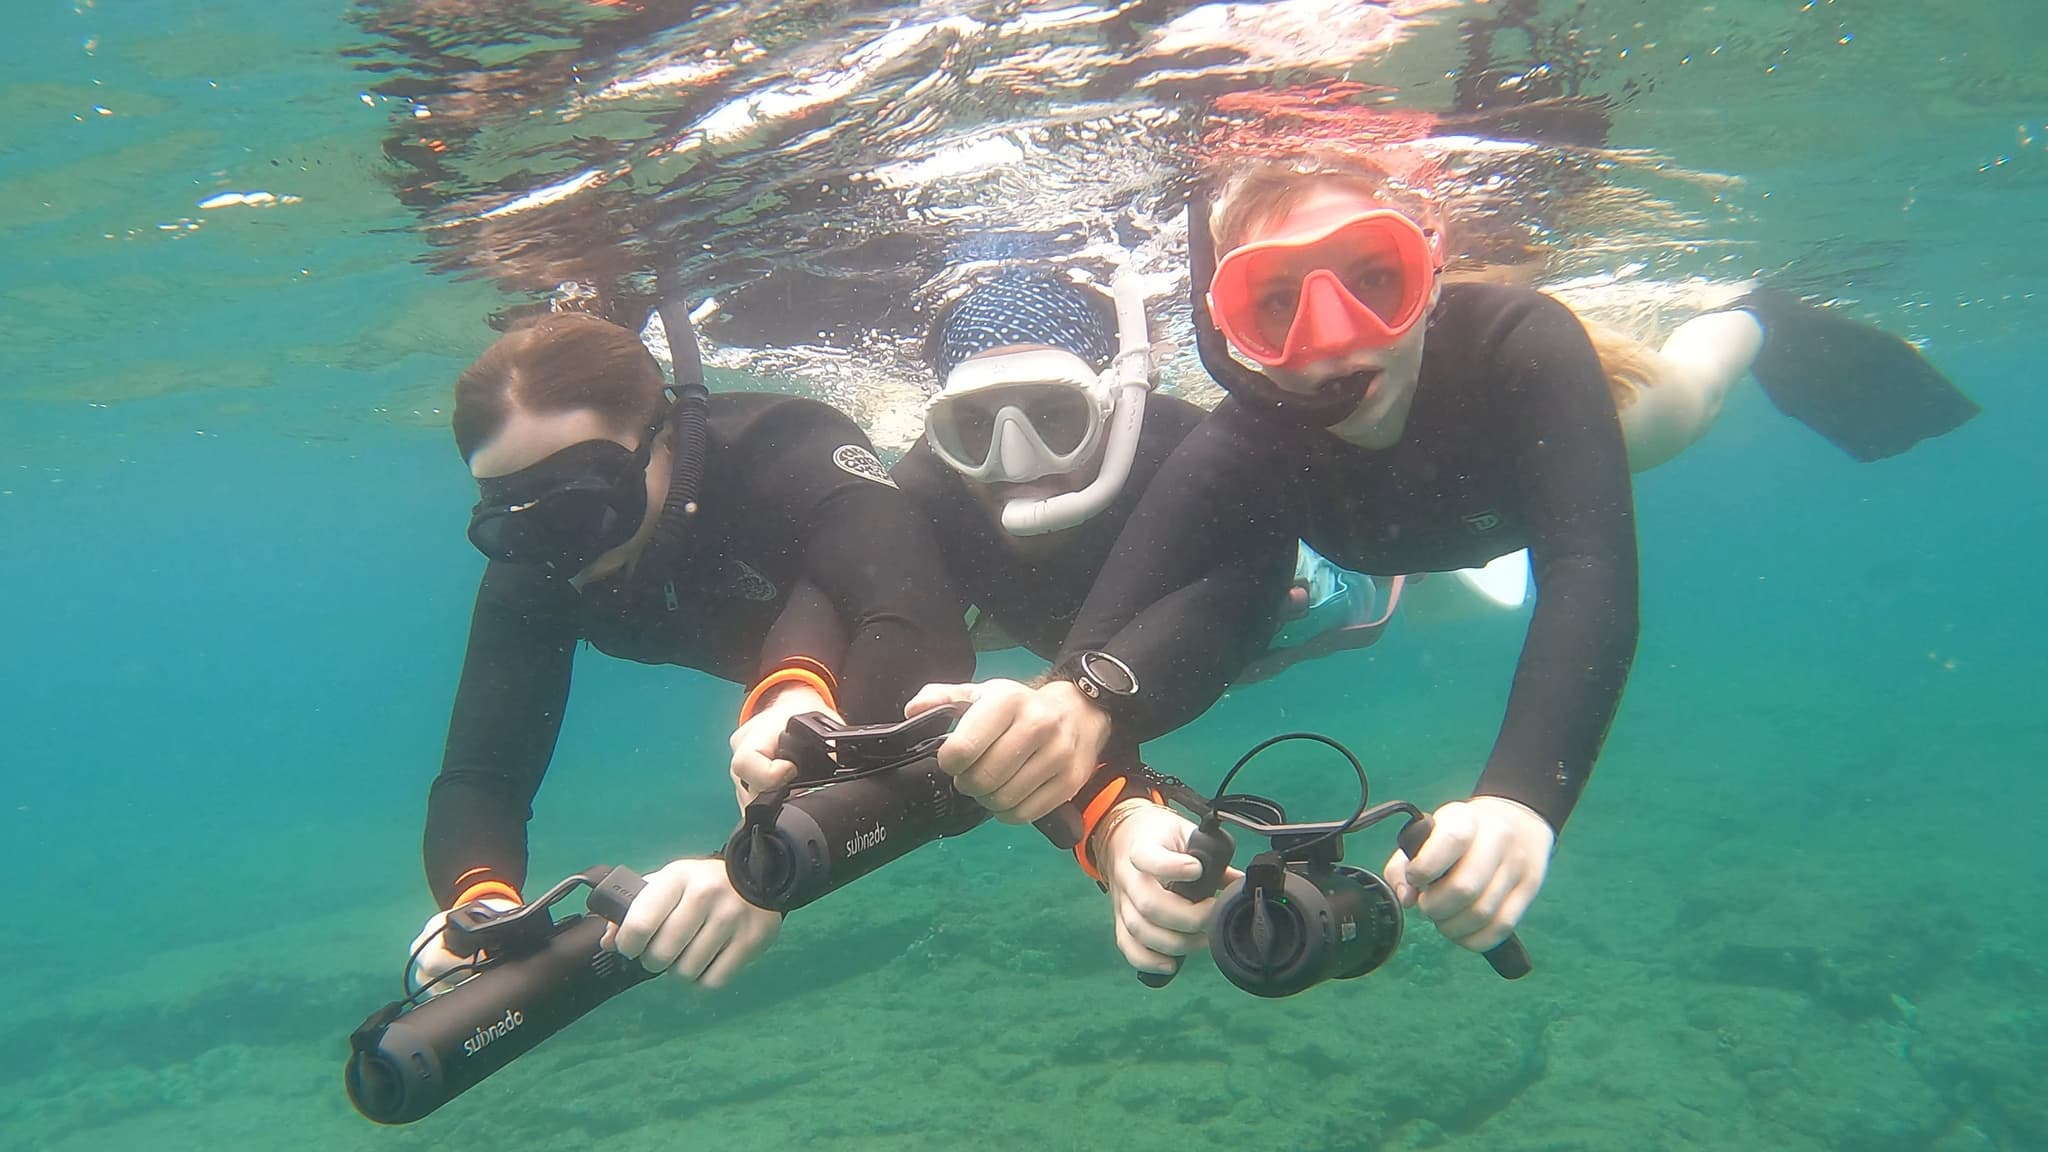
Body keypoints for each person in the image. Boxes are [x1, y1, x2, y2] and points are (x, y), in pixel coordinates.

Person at [976, 157, 1979, 975]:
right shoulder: (1244, 441)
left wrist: (1519, 799)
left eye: (1374, 279)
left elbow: (1586, 571)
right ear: (1229, 332)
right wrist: (1113, 829)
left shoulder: (1519, 345)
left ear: (1430, 278)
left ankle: (1750, 312)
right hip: (1396, 539)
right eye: (1272, 302)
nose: (1329, 339)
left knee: (1683, 399)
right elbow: (1085, 671)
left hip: (1521, 468)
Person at [407, 307, 973, 993]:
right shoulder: (539, 562)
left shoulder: (785, 448)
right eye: (517, 524)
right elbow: (481, 772)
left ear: (667, 438)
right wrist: (479, 903)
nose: (565, 551)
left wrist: (759, 858)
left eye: (585, 507)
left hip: (977, 591)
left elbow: (919, 631)